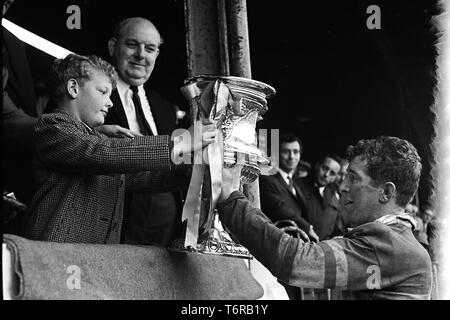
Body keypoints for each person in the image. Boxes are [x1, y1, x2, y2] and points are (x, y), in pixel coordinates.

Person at [21, 53, 217, 244]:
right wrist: (180, 142)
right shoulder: (52, 127)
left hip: (94, 259)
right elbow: (100, 152)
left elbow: (144, 176)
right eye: (103, 91)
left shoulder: (96, 140)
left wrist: (192, 170)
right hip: (53, 256)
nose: (110, 102)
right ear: (73, 88)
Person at [218, 136, 432, 299]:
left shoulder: (387, 244)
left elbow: (296, 261)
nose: (343, 186)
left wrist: (231, 198)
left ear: (386, 192)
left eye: (354, 178)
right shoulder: (402, 242)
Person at [103, 17, 184, 246]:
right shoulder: (93, 94)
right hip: (111, 225)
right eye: (132, 45)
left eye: (150, 48)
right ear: (112, 47)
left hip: (165, 232)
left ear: (156, 55)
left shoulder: (165, 108)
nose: (141, 55)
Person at [259, 134, 319, 242]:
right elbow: (279, 208)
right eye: (286, 152)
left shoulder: (295, 183)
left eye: (296, 152)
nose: (292, 157)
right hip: (274, 241)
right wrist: (308, 228)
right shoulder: (267, 178)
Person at [296, 155, 342, 240]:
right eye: (325, 168)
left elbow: (335, 229)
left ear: (335, 178)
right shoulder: (298, 186)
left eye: (332, 173)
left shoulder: (334, 198)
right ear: (317, 166)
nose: (326, 174)